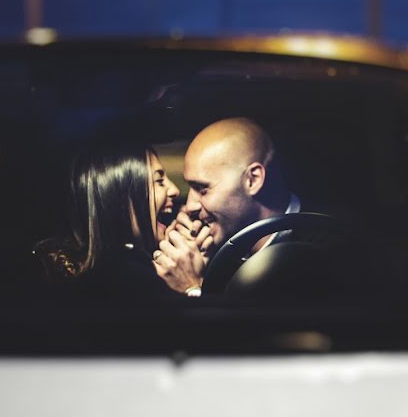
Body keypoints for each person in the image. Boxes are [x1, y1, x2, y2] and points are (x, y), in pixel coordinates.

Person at [35, 143, 208, 297]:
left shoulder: (105, 269)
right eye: (159, 180)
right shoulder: (125, 281)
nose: (175, 190)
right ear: (118, 199)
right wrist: (191, 287)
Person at [153, 118, 301, 293]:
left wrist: (192, 287)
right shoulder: (220, 248)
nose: (190, 205)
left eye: (202, 189)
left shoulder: (322, 248)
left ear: (252, 180)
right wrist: (192, 262)